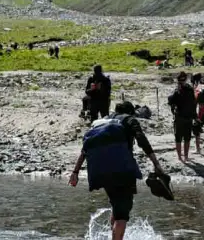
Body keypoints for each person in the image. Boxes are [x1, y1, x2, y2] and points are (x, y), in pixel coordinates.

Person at [69, 101, 164, 240]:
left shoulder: (104, 121)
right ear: (131, 112)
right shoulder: (129, 119)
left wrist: (75, 172)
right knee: (122, 214)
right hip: (122, 171)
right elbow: (141, 139)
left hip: (100, 171)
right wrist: (156, 163)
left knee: (117, 206)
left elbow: (85, 149)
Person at [167, 72, 197, 162]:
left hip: (179, 117)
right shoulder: (190, 89)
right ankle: (186, 157)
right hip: (188, 117)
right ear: (186, 79)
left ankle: (180, 157)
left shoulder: (177, 91)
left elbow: (171, 102)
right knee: (187, 138)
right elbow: (193, 104)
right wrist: (195, 116)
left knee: (178, 138)